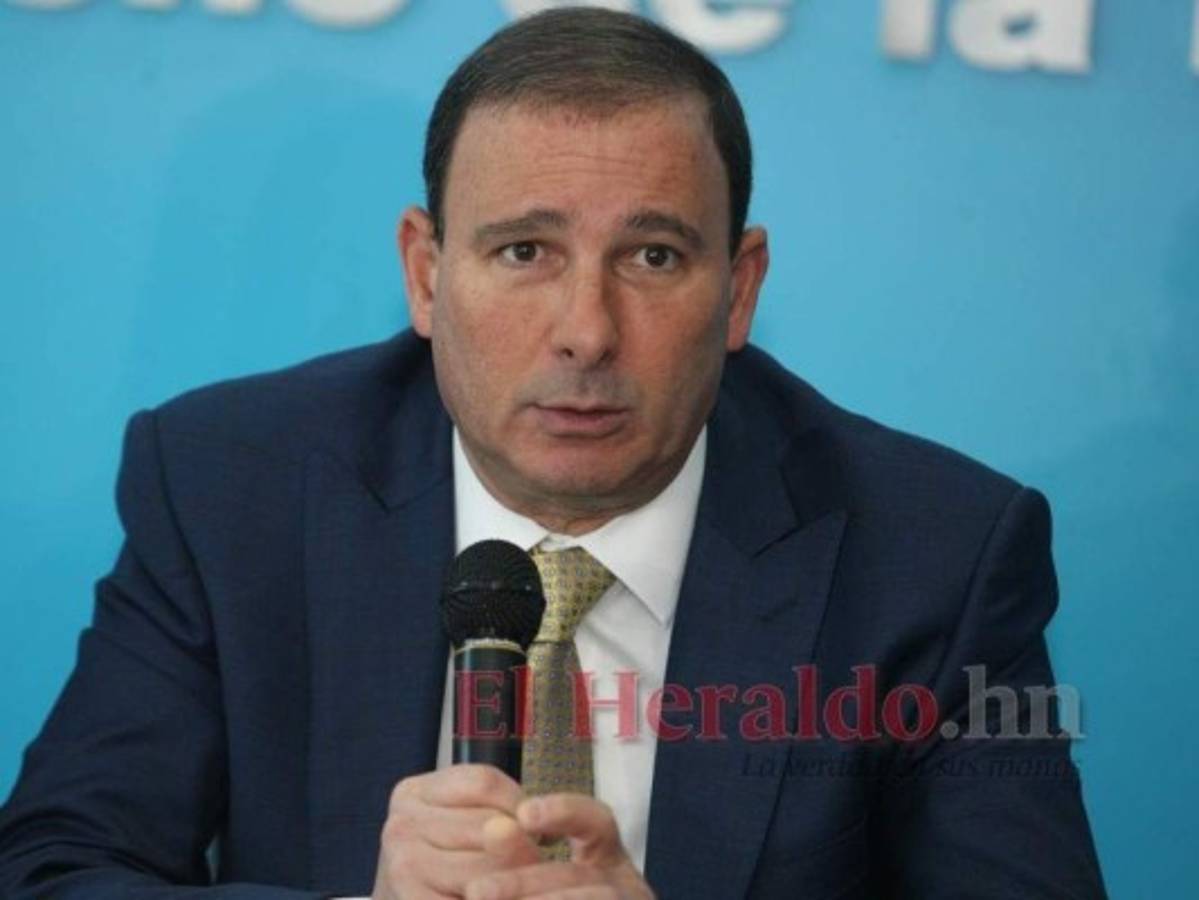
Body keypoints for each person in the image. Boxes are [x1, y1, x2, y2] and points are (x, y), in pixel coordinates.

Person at [0, 8, 1107, 899]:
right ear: (426, 274)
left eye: (652, 256)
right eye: (525, 250)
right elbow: (51, 869)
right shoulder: (227, 486)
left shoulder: (932, 559)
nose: (586, 330)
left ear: (738, 290)